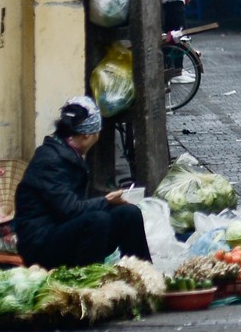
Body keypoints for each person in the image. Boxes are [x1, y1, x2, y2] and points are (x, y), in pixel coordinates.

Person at [13, 96, 151, 269]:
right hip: (40, 244)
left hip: (60, 230)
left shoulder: (67, 152)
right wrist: (106, 201)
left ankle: (142, 274)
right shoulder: (49, 160)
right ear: (87, 135)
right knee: (97, 220)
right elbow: (70, 210)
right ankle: (88, 283)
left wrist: (109, 202)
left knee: (129, 213)